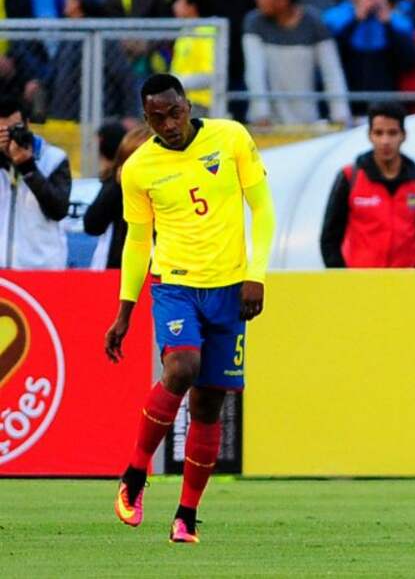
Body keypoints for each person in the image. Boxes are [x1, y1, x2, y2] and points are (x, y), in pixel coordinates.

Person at [105, 73, 276, 544]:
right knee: (182, 367)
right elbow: (138, 243)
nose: (168, 124)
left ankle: (186, 514)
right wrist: (125, 310)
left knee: (208, 403)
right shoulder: (139, 168)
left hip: (229, 289)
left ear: (187, 104)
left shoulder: (231, 137)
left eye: (174, 112)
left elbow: (262, 209)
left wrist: (255, 275)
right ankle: (135, 475)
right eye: (156, 118)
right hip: (176, 284)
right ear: (146, 119)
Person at [321, 102, 415, 267]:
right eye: (379, 133)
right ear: (369, 135)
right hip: (360, 284)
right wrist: (342, 280)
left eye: (392, 133)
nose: (385, 141)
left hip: (405, 283)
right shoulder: (349, 176)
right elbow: (330, 237)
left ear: (403, 135)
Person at [243, 0, 351, 125]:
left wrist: (340, 115)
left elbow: (332, 72)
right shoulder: (254, 22)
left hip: (307, 119)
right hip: (269, 124)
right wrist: (261, 114)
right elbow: (255, 73)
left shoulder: (313, 22)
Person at [323, 0, 415, 114]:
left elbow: (409, 62)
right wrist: (356, 19)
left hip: (387, 94)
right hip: (348, 95)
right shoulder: (333, 18)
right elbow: (332, 59)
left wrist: (387, 24)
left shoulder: (400, 21)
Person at [0, 94, 71, 269]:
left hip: (41, 269)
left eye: (13, 129)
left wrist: (28, 168)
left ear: (27, 124)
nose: (9, 136)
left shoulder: (53, 158)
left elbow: (58, 210)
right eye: (2, 131)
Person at [85, 125, 153, 270]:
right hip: (120, 271)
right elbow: (92, 225)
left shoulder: (172, 187)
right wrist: (118, 185)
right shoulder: (117, 186)